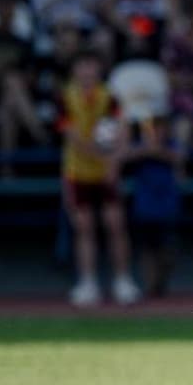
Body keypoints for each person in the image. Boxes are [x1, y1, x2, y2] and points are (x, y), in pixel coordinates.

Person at [59, 53, 140, 307]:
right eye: (81, 65)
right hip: (78, 171)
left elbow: (123, 129)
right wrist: (103, 158)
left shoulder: (110, 97)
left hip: (107, 171)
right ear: (74, 70)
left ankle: (122, 280)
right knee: (84, 227)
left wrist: (115, 161)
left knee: (115, 224)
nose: (86, 71)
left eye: (90, 66)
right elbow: (72, 136)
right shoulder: (65, 97)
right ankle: (87, 282)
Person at [127, 113, 183, 297]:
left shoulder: (172, 146)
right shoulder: (141, 148)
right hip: (145, 207)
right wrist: (149, 151)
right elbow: (125, 156)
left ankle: (161, 283)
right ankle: (150, 287)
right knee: (147, 248)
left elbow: (178, 158)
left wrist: (156, 152)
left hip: (166, 206)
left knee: (167, 250)